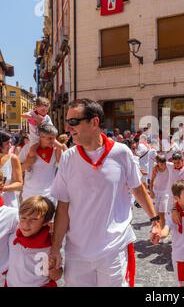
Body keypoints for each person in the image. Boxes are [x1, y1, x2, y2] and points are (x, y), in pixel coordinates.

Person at [49, 99, 161, 287]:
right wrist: (54, 249)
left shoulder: (121, 152)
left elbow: (137, 188)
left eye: (73, 122)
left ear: (94, 122)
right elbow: (62, 206)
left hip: (113, 249)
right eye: (67, 122)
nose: (68, 128)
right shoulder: (68, 157)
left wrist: (155, 221)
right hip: (77, 252)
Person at [7, 196, 63, 287]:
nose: (26, 224)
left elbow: (56, 276)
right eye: (23, 218)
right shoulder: (12, 236)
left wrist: (53, 269)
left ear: (46, 222)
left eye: (34, 219)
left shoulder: (51, 246)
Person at [19, 124, 63, 202]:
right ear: (41, 137)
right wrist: (27, 163)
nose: (53, 141)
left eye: (54, 138)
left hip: (49, 194)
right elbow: (17, 170)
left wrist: (60, 148)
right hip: (29, 193)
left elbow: (62, 167)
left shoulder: (56, 150)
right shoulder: (28, 148)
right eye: (50, 138)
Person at [149, 154, 170, 230]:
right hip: (156, 192)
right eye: (161, 163)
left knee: (162, 214)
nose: (163, 165)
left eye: (164, 163)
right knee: (155, 214)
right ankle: (156, 229)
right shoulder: (155, 169)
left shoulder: (168, 167)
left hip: (165, 193)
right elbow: (151, 181)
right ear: (157, 163)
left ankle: (161, 231)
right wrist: (151, 191)